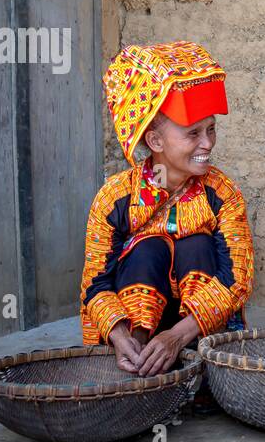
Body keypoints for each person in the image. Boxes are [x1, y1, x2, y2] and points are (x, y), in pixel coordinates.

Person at [80, 41, 254, 379]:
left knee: (195, 245)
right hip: (134, 335)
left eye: (211, 129)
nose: (208, 143)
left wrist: (176, 337)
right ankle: (139, 356)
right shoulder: (115, 198)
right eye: (193, 134)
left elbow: (236, 281)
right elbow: (95, 286)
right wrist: (120, 335)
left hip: (194, 333)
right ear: (156, 142)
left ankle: (199, 367)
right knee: (148, 249)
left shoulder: (222, 193)